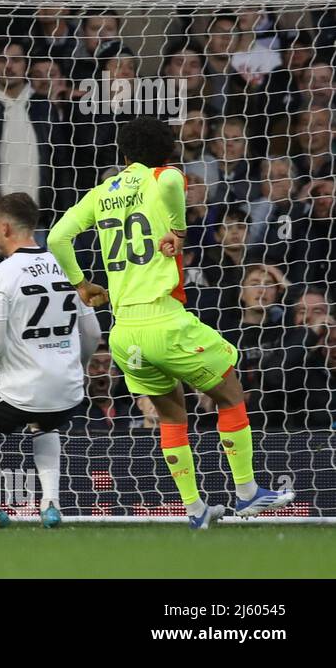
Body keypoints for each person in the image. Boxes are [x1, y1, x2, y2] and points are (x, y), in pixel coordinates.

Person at [46, 116, 296, 529]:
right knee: (231, 392)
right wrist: (179, 230)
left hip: (124, 331)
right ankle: (249, 492)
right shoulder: (163, 176)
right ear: (168, 152)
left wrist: (81, 284)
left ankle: (196, 510)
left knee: (171, 414)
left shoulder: (101, 192)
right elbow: (171, 185)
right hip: (164, 317)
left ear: (123, 155)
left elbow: (56, 237)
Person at [0, 193, 102, 528]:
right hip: (68, 391)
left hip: (23, 390)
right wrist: (75, 370)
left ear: (5, 228)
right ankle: (51, 506)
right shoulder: (66, 265)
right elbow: (92, 333)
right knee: (45, 423)